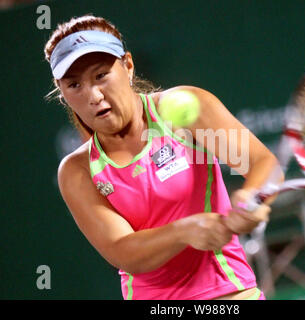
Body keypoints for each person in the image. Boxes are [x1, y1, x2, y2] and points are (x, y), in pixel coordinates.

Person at [44, 14, 283, 300]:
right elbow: (123, 251)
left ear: (128, 66)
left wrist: (250, 198)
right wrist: (184, 231)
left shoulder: (187, 110)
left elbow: (263, 164)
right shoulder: (77, 170)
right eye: (74, 85)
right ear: (62, 93)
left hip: (230, 294)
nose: (93, 95)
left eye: (101, 75)